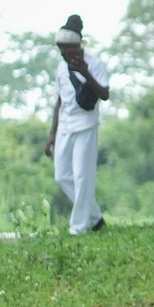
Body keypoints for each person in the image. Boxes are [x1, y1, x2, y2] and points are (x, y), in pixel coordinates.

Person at [44, 20, 109, 234]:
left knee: (82, 176)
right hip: (65, 126)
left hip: (86, 126)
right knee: (62, 175)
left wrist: (85, 71)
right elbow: (59, 100)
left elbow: (104, 94)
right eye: (60, 48)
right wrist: (52, 134)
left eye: (67, 48)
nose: (63, 52)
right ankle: (95, 217)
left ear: (78, 46)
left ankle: (78, 228)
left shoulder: (96, 64)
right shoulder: (61, 68)